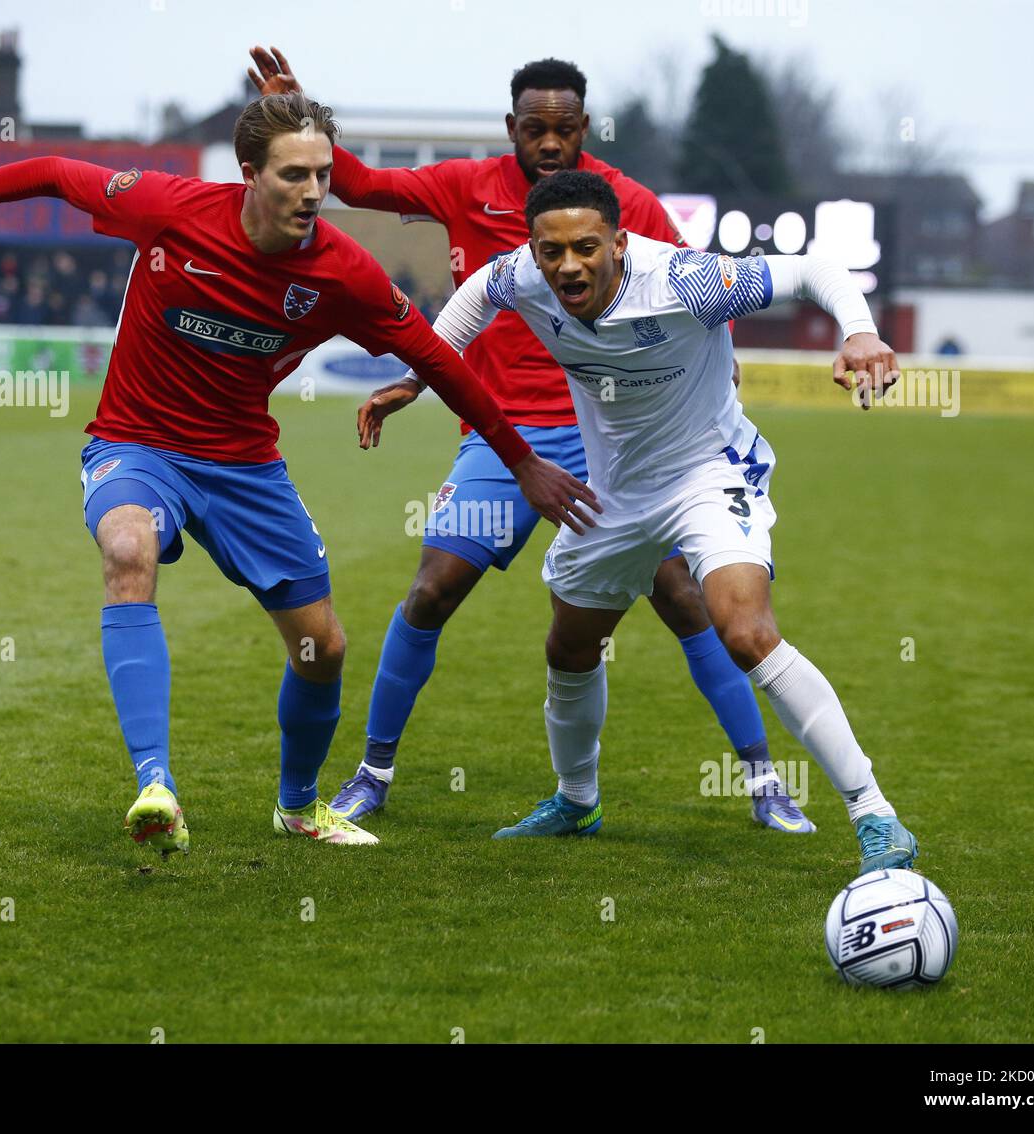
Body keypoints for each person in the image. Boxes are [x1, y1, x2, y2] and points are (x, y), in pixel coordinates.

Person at [0, 92, 593, 855]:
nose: (313, 192)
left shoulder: (344, 273)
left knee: (323, 649)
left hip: (244, 465)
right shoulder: (165, 207)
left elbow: (439, 360)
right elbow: (47, 171)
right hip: (136, 445)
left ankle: (299, 806)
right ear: (249, 174)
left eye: (324, 175)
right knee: (128, 550)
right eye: (294, 174)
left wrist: (522, 461)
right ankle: (155, 785)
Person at [248, 48, 813, 835]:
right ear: (510, 127)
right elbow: (359, 183)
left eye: (566, 128)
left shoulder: (629, 204)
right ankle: (373, 774)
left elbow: (703, 301)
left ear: (585, 125)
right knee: (431, 589)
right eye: (535, 129)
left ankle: (763, 783)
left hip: (616, 447)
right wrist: (297, 118)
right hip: (499, 440)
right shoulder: (460, 186)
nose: (550, 143)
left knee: (687, 599)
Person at [360, 170, 917, 873]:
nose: (567, 265)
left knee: (743, 630)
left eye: (586, 248)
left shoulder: (687, 281)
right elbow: (476, 294)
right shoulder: (523, 276)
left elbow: (813, 267)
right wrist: (415, 378)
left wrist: (861, 332)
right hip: (615, 493)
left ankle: (876, 816)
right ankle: (576, 801)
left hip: (707, 473)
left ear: (620, 243)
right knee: (569, 648)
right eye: (551, 251)